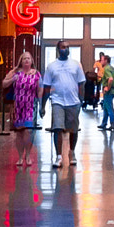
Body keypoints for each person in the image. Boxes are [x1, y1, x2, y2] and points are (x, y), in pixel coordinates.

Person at [40, 39, 86, 172]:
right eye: (63, 47)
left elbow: (81, 83)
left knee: (73, 129)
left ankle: (71, 152)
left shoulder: (76, 65)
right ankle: (59, 156)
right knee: (57, 128)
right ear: (58, 50)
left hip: (73, 101)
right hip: (57, 101)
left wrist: (81, 99)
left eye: (67, 47)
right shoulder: (51, 66)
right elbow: (47, 87)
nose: (65, 49)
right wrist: (43, 105)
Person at [7, 50, 42, 165]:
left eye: (28, 58)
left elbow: (40, 89)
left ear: (32, 61)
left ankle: (27, 155)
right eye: (24, 58)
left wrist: (41, 104)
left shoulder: (36, 74)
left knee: (28, 131)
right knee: (19, 133)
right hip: (18, 106)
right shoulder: (16, 72)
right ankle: (20, 156)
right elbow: (4, 83)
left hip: (30, 106)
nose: (26, 60)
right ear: (21, 61)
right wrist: (12, 79)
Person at [97, 54, 114, 133]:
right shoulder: (112, 68)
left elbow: (110, 79)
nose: (100, 61)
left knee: (109, 107)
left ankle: (113, 124)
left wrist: (107, 88)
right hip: (113, 90)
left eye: (102, 60)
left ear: (106, 61)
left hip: (109, 91)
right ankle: (104, 123)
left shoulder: (106, 69)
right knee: (106, 106)